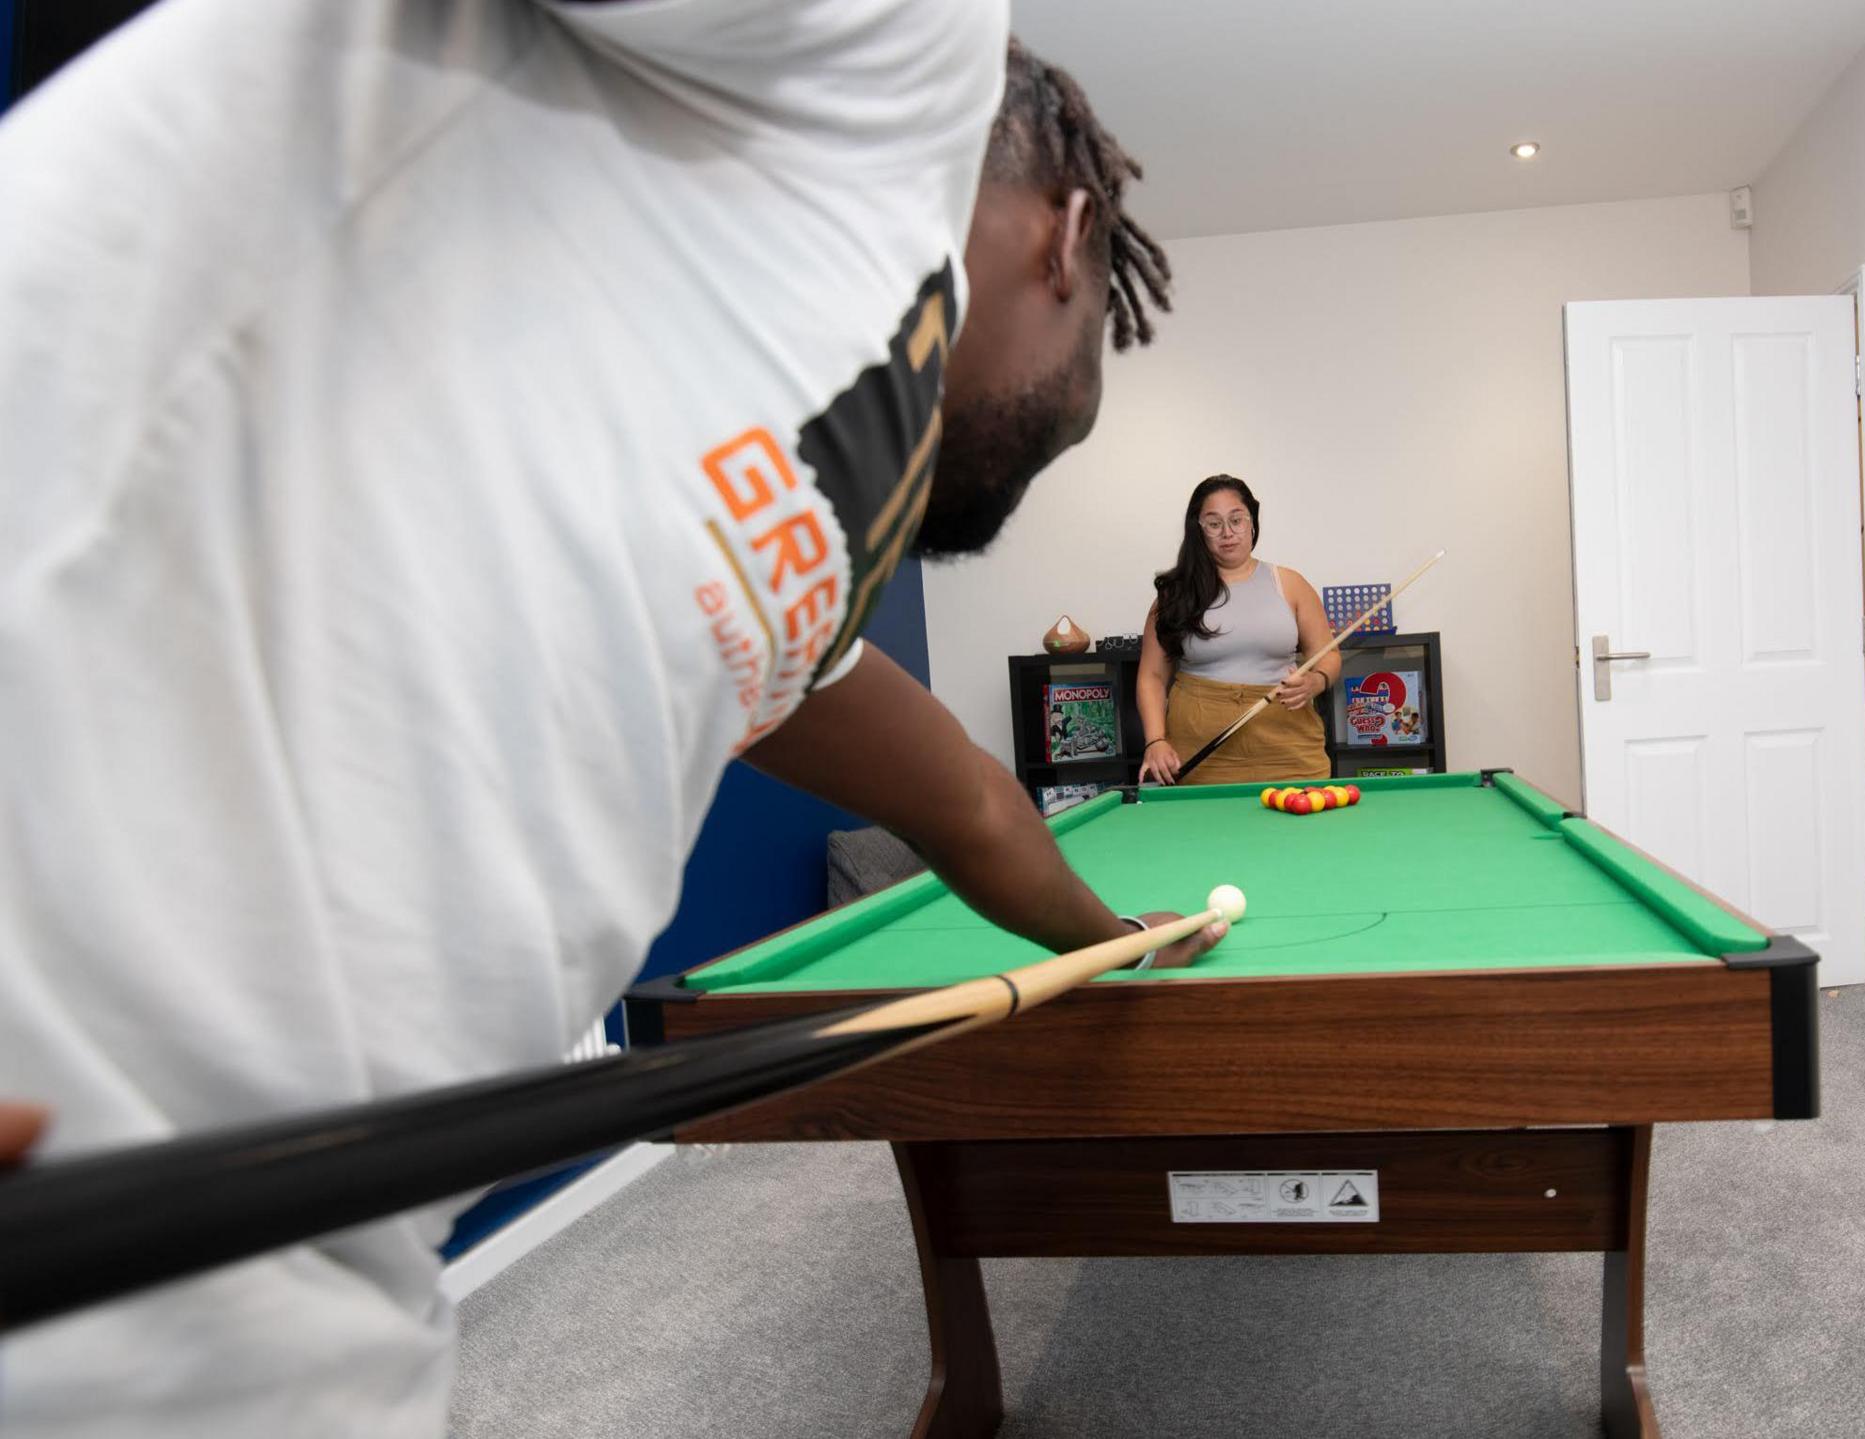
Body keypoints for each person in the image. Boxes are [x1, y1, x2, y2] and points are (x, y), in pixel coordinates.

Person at [0, 4, 1209, 1435]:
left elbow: (973, 810)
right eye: (1090, 363)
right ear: (1068, 234)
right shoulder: (896, 53)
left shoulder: (799, 527)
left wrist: (1124, 942)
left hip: (290, 1288)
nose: (1074, 407)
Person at [1136, 476, 1340, 787]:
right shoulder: (1174, 595)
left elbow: (1328, 655)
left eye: (1237, 520)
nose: (1228, 532)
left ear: (1252, 523)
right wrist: (1155, 741)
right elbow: (1151, 676)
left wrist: (1317, 680)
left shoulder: (1290, 583)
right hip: (1200, 751)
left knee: (1301, 832)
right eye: (1214, 523)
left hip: (1289, 747)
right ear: (1198, 529)